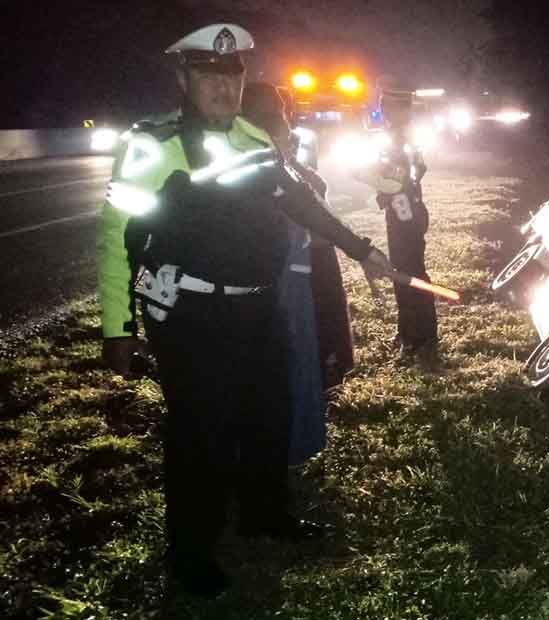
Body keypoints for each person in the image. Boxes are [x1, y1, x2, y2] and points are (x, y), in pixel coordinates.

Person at [96, 23, 393, 597]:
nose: (223, 87)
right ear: (183, 78)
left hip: (258, 308)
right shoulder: (153, 147)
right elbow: (115, 237)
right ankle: (191, 552)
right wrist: (118, 327)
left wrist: (363, 250)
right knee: (200, 433)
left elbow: (301, 202)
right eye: (209, 74)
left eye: (232, 75)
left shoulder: (256, 140)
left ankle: (265, 514)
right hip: (189, 314)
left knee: (268, 413)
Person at [241, 82, 353, 465]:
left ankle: (289, 442)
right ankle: (286, 445)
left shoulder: (291, 167)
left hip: (303, 271)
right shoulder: (259, 169)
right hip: (287, 277)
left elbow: (315, 214)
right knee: (293, 359)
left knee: (303, 356)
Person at [356, 84, 438, 355]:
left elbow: (397, 179)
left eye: (389, 105)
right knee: (408, 270)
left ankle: (416, 335)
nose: (384, 110)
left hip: (405, 213)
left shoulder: (400, 138)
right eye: (383, 105)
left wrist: (363, 176)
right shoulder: (402, 136)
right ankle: (414, 330)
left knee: (407, 273)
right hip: (406, 209)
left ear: (402, 108)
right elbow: (417, 171)